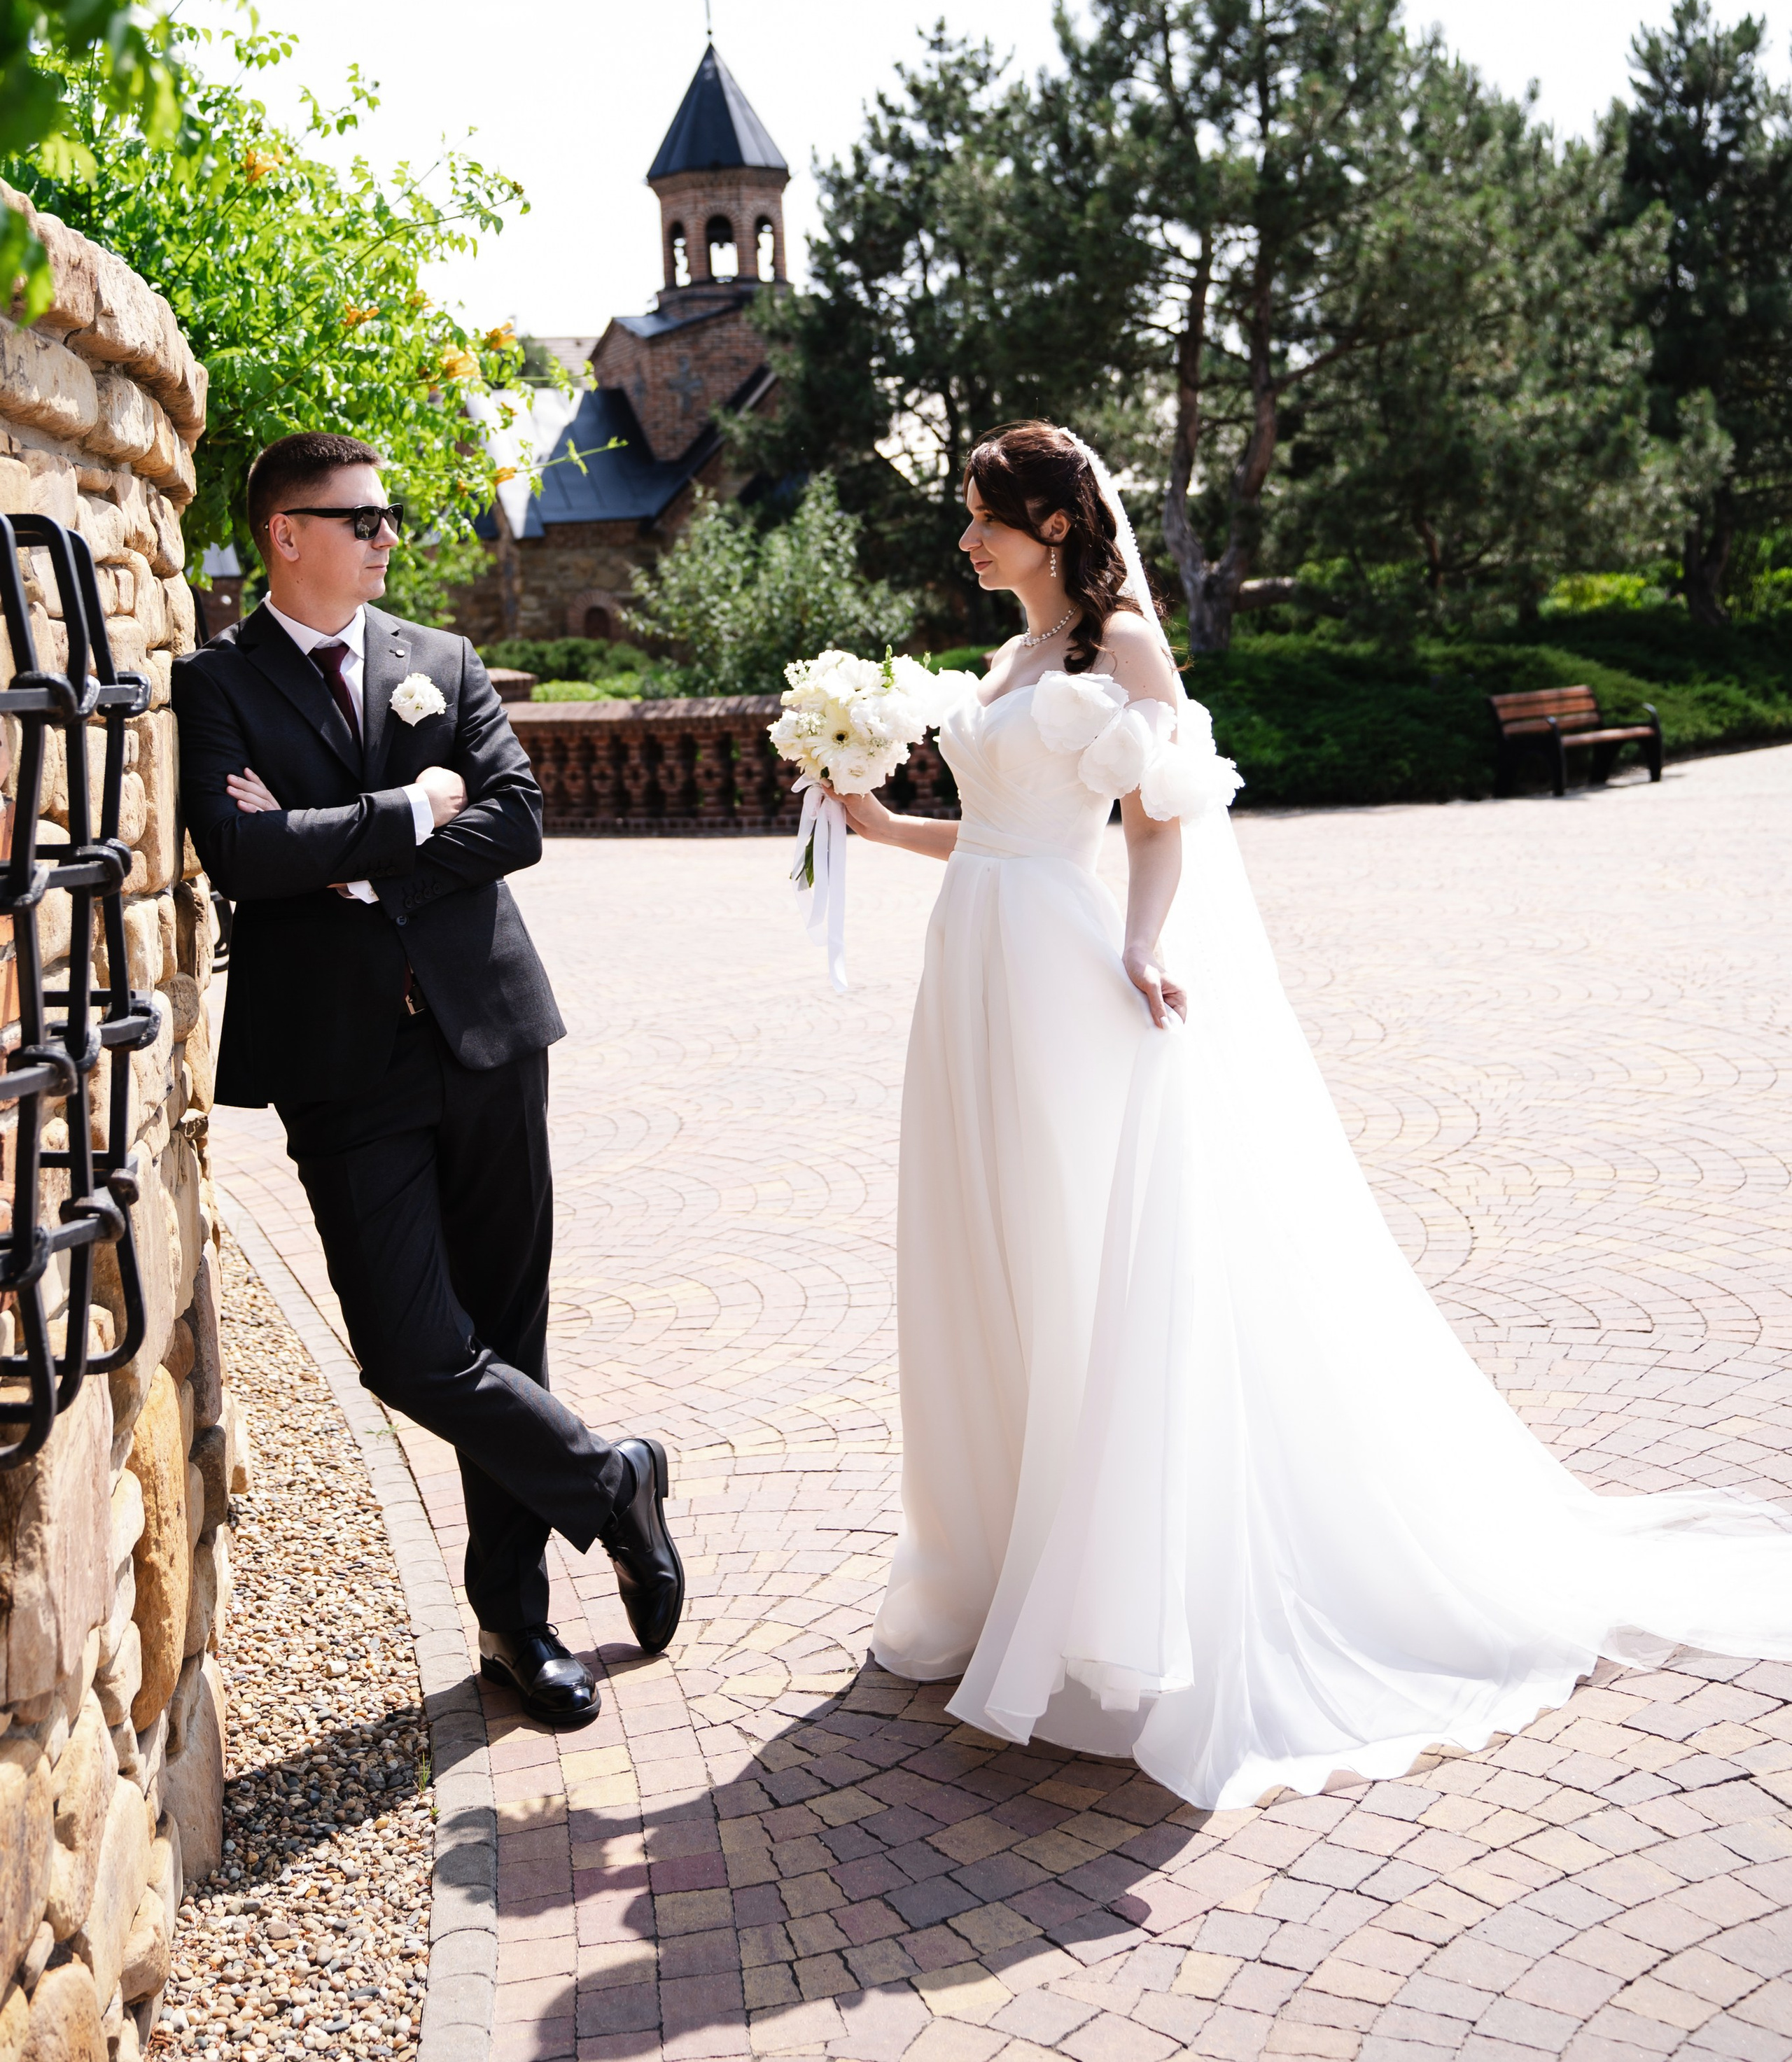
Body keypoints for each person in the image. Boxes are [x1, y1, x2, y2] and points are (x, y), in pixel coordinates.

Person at [842, 419, 1792, 1811]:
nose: (964, 536)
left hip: (1054, 976)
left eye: (984, 515)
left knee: (1071, 1261)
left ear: (1052, 525)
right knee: (983, 1254)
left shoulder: (1120, 652)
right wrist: (873, 828)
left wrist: (1148, 941)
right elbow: (988, 833)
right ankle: (996, 1562)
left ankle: (1102, 1599)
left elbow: (1160, 817)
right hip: (967, 974)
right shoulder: (1004, 660)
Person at [173, 431, 683, 1727]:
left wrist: (343, 859)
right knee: (410, 1350)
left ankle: (515, 1627)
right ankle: (612, 1477)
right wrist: (408, 811)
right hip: (342, 1063)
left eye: (388, 516)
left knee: (510, 1333)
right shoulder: (215, 682)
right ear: (286, 533)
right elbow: (236, 846)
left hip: (491, 1036)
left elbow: (517, 819)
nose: (389, 534)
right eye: (363, 517)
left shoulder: (439, 663)